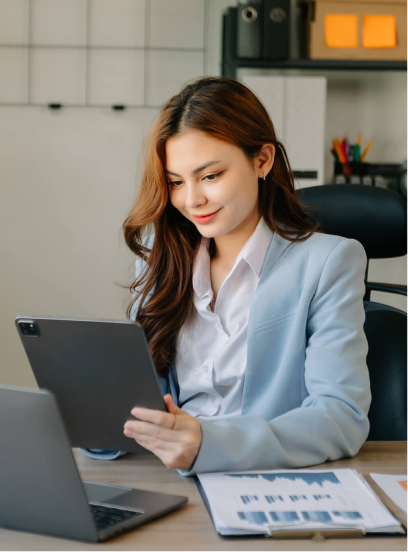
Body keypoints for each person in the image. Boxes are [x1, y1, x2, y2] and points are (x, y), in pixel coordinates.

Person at [81, 76, 371, 476]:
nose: (192, 199)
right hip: (174, 476)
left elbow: (341, 418)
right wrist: (97, 417)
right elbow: (154, 400)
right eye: (176, 182)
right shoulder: (159, 260)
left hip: (266, 479)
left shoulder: (328, 262)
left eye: (211, 176)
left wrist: (208, 443)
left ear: (262, 160)